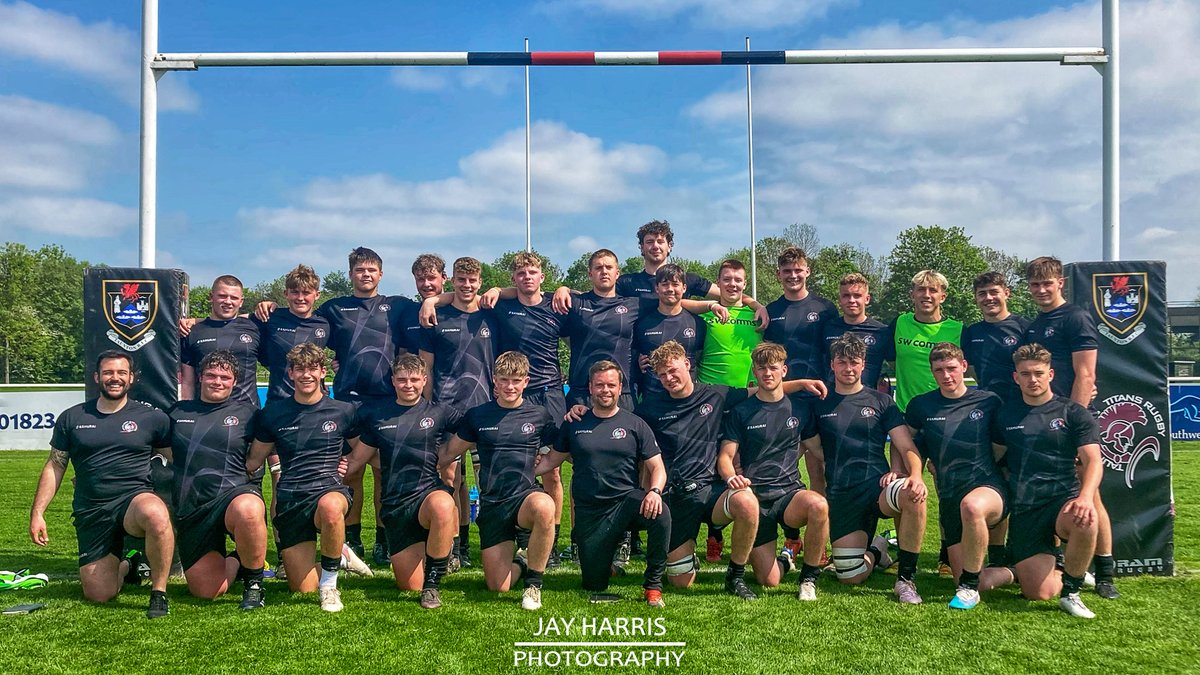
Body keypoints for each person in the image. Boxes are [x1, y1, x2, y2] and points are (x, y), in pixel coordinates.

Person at [30, 350, 175, 618]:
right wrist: (38, 512)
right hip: (92, 509)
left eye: (121, 373)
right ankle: (128, 565)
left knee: (155, 512)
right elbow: (55, 465)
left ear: (131, 378)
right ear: (97, 377)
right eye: (108, 372)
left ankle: (159, 592)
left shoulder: (152, 418)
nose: (114, 378)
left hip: (133, 501)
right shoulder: (72, 418)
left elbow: (175, 460)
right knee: (99, 594)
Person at [246, 343, 372, 613]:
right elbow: (254, 461)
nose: (306, 375)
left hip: (329, 491)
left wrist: (351, 463)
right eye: (300, 369)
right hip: (291, 499)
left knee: (330, 506)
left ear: (323, 372)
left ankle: (329, 587)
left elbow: (365, 445)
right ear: (290, 373)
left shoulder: (343, 411)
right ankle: (340, 555)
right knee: (301, 587)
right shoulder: (273, 414)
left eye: (312, 368)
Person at [804, 334, 929, 604]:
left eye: (854, 362)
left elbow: (906, 446)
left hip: (877, 486)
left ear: (863, 365)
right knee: (850, 576)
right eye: (842, 362)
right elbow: (813, 448)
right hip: (842, 493)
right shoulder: (819, 403)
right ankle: (877, 550)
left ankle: (906, 579)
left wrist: (915, 475)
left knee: (912, 493)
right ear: (832, 365)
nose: (848, 368)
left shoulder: (881, 401)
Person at [1020, 256, 1118, 599]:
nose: (1041, 290)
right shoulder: (1035, 324)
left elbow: (1086, 374)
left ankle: (1105, 572)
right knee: (1058, 494)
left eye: (1047, 283)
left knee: (1089, 494)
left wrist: (1073, 424)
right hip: (1042, 420)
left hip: (1069, 421)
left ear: (1060, 283)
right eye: (1035, 284)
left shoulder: (1075, 317)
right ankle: (1065, 562)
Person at [539, 361, 671, 607]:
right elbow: (551, 460)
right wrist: (522, 472)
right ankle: (605, 561)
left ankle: (653, 586)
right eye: (599, 385)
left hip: (626, 503)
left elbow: (657, 467)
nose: (605, 390)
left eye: (611, 385)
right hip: (590, 511)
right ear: (590, 388)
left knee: (660, 513)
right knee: (594, 584)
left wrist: (654, 491)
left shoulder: (635, 424)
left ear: (620, 387)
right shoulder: (575, 422)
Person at [991, 344, 1102, 618]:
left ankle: (1071, 592)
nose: (1033, 379)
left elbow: (1093, 461)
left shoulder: (1073, 412)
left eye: (1038, 373)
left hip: (1062, 498)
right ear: (1016, 377)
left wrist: (1085, 497)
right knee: (1038, 593)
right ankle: (1061, 568)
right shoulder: (1006, 415)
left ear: (1050, 374)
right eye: (1025, 374)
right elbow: (993, 457)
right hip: (1026, 507)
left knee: (1086, 518)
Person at [440, 352, 558, 610]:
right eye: (504, 380)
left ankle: (533, 586)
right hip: (493, 504)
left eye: (516, 380)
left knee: (545, 507)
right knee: (498, 586)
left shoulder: (539, 415)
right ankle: (523, 560)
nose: (509, 387)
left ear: (526, 381)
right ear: (494, 380)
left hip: (524, 497)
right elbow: (449, 452)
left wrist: (544, 464)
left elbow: (562, 450)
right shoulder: (478, 416)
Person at [343, 354, 460, 609]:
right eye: (403, 379)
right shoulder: (378, 415)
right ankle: (434, 551)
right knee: (409, 585)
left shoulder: (439, 411)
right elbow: (356, 460)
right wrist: (330, 470)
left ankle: (433, 585)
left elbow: (472, 430)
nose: (409, 385)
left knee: (443, 504)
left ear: (424, 380)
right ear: (393, 381)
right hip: (395, 505)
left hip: (427, 494)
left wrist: (447, 455)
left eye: (415, 380)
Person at [904, 343, 1015, 610]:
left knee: (972, 505)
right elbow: (906, 444)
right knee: (966, 577)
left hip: (987, 487)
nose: (946, 375)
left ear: (964, 366)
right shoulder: (921, 405)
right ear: (932, 371)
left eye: (952, 368)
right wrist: (912, 472)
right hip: (950, 495)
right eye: (939, 370)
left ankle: (969, 590)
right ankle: (1018, 571)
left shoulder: (989, 401)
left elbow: (1004, 442)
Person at [718, 342, 828, 600]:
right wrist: (731, 477)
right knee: (769, 581)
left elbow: (819, 451)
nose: (768, 373)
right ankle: (787, 559)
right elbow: (725, 456)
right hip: (756, 499)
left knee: (818, 505)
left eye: (773, 368)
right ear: (754, 372)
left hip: (789, 494)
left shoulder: (799, 409)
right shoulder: (741, 411)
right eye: (761, 368)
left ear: (784, 371)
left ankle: (808, 579)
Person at [167, 350, 268, 610]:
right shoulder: (177, 412)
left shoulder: (249, 414)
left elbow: (277, 443)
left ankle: (254, 585)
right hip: (193, 507)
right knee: (207, 592)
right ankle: (238, 560)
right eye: (211, 375)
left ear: (234, 382)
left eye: (225, 377)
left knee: (249, 509)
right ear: (201, 377)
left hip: (233, 495)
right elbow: (152, 446)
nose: (218, 381)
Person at [420, 256, 498, 570]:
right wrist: (427, 406)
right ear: (452, 281)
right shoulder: (436, 317)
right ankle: (452, 546)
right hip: (447, 410)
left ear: (480, 282)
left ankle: (489, 542)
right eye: (461, 280)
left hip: (485, 412)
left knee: (486, 480)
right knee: (450, 478)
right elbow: (426, 367)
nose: (467, 286)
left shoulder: (492, 314)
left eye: (472, 280)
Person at [884, 270, 963, 412]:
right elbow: (893, 362)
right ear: (912, 295)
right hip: (907, 411)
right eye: (921, 289)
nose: (926, 295)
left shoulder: (959, 330)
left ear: (942, 297)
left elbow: (968, 371)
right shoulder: (899, 323)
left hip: (947, 411)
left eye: (933, 290)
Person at [180, 275, 261, 407]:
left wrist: (270, 305)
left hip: (247, 412)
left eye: (234, 298)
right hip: (205, 412)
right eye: (222, 296)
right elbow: (187, 382)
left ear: (241, 301)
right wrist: (186, 411)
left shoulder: (255, 327)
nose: (228, 301)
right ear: (211, 297)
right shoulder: (191, 332)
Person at [763, 247, 838, 384]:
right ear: (778, 274)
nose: (793, 276)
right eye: (787, 271)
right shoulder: (771, 311)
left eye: (798, 270)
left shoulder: (826, 309)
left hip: (820, 389)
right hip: (783, 390)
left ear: (807, 271)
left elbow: (835, 352)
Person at [634, 264, 707, 399]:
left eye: (675, 284)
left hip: (688, 401)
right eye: (665, 284)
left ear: (684, 288)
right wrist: (636, 362)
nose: (670, 289)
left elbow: (701, 359)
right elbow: (632, 356)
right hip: (653, 399)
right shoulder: (642, 324)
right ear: (657, 288)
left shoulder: (698, 323)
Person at [963, 271, 1029, 402]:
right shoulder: (972, 332)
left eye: (994, 292)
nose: (988, 298)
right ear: (976, 298)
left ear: (1006, 293)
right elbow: (969, 371)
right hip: (986, 404)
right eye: (982, 294)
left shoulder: (1025, 328)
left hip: (1020, 403)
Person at [698, 259, 762, 388]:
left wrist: (759, 306)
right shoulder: (702, 316)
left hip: (750, 392)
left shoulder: (759, 315)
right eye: (727, 279)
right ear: (718, 283)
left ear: (745, 284)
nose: (732, 284)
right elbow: (677, 305)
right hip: (711, 393)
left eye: (738, 280)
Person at [615, 219, 715, 301]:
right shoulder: (626, 283)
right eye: (650, 242)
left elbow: (723, 294)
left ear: (669, 246)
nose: (655, 246)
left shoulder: (688, 279)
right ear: (641, 247)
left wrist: (711, 306)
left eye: (660, 241)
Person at [821, 273, 889, 390]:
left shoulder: (881, 331)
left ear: (867, 299)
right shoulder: (827, 328)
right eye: (846, 296)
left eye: (857, 295)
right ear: (840, 299)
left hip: (869, 398)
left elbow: (897, 366)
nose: (851, 300)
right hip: (832, 397)